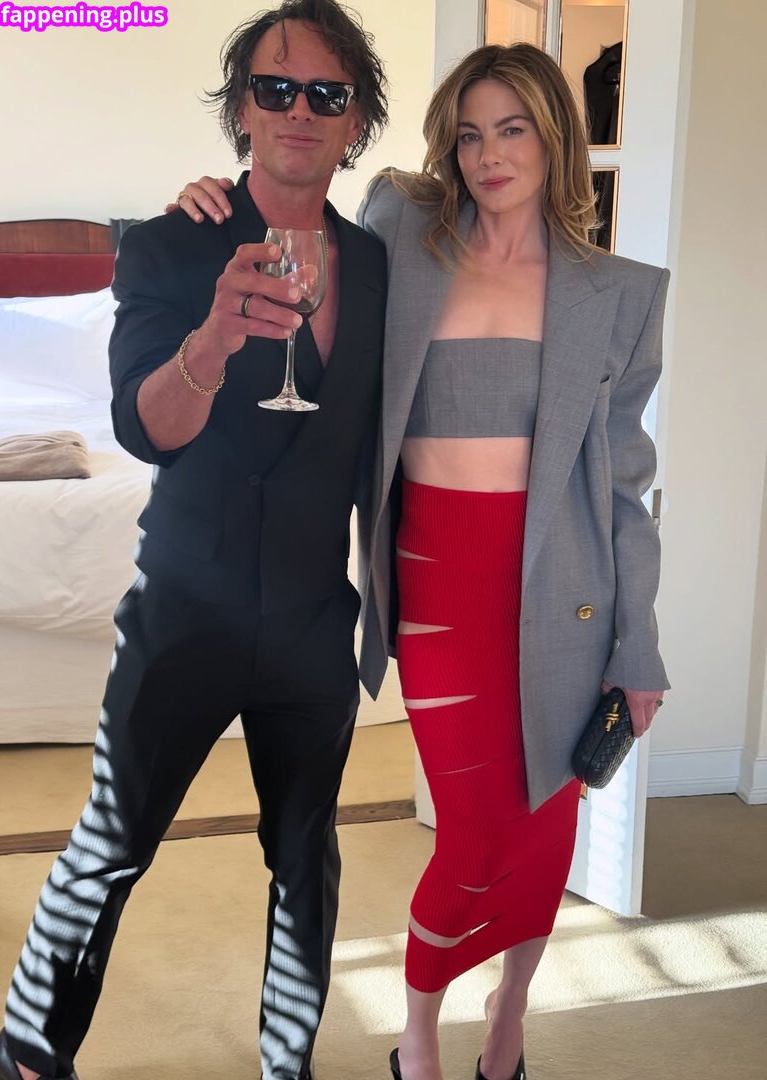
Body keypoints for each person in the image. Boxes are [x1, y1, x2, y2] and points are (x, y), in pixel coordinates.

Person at [173, 40, 669, 1080]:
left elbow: (624, 489)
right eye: (470, 134)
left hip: (566, 601)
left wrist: (640, 646)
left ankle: (509, 1019)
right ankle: (418, 1036)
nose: (490, 155)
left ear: (555, 138)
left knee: (542, 834)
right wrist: (209, 208)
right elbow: (299, 222)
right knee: (474, 838)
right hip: (439, 592)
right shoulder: (407, 229)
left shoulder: (618, 294)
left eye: (514, 129)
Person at [0, 3, 389, 1079]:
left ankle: (286, 1065)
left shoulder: (381, 264)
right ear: (241, 110)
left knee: (304, 864)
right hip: (185, 608)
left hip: (313, 618)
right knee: (112, 843)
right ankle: (29, 1049)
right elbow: (141, 428)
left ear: (355, 121)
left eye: (327, 93)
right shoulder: (169, 245)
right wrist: (211, 340)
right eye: (275, 88)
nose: (300, 110)